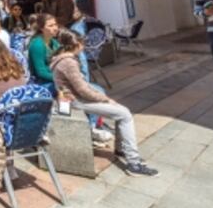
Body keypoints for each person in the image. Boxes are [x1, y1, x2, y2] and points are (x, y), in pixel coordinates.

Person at [51, 30, 158, 176]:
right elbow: (83, 90)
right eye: (82, 43)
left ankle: (123, 150)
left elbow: (83, 86)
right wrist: (105, 99)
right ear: (76, 44)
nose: (83, 47)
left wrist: (101, 96)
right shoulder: (68, 62)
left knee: (121, 113)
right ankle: (133, 163)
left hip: (72, 98)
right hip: (76, 101)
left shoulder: (62, 59)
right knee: (125, 114)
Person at [28, 14, 60, 93]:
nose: (55, 28)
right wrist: (61, 78)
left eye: (55, 24)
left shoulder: (54, 42)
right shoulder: (37, 45)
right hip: (42, 83)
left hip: (55, 78)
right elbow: (41, 72)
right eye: (50, 26)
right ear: (42, 28)